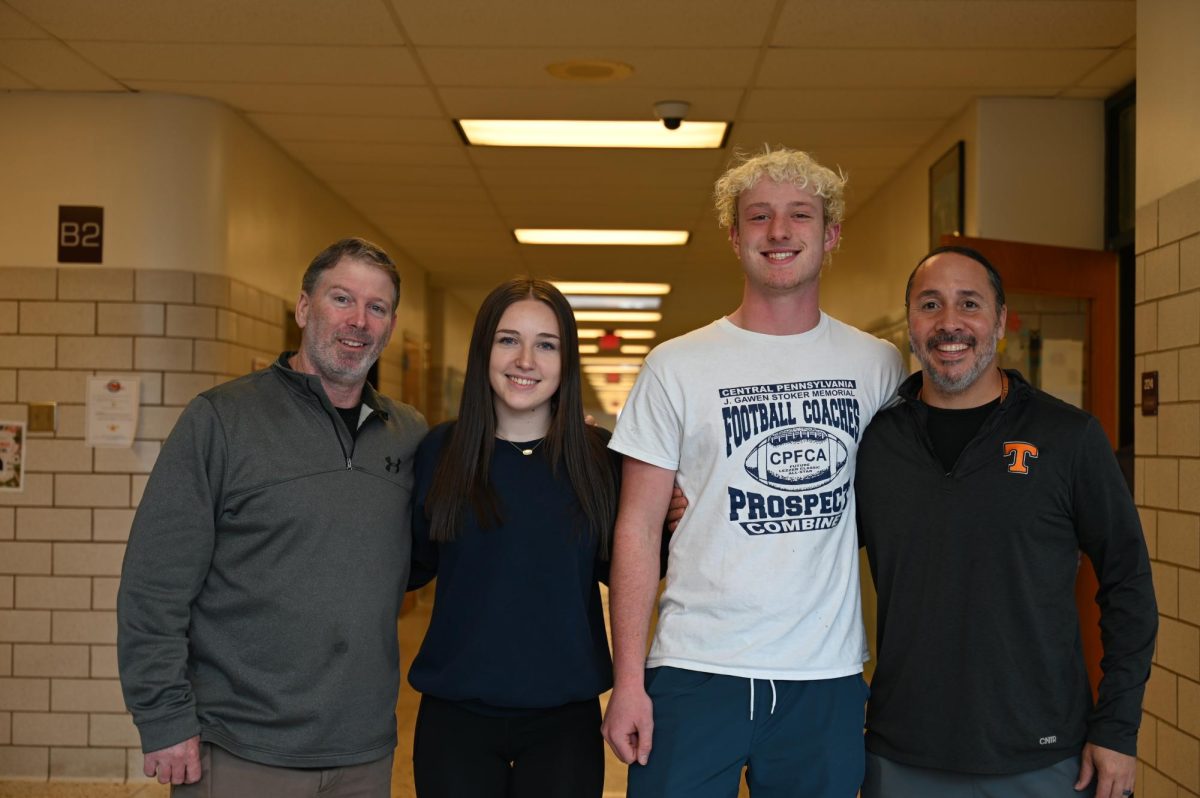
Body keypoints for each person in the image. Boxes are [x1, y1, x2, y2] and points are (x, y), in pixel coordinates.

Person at [601, 147, 906, 798]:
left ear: (830, 236)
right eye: (759, 216)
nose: (778, 232)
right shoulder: (676, 366)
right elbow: (636, 527)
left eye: (800, 215)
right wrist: (628, 680)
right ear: (734, 235)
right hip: (694, 668)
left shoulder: (879, 366)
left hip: (824, 677)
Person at [117, 237, 428, 796]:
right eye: (341, 299)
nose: (358, 320)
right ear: (304, 307)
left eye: (376, 307)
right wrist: (163, 719)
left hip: (364, 751)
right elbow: (154, 584)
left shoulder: (408, 434)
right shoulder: (222, 420)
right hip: (239, 746)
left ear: (391, 324)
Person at [855, 245, 1157, 798]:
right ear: (910, 325)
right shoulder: (874, 445)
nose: (950, 323)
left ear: (999, 319)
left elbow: (1129, 585)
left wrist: (1116, 727)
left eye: (969, 303)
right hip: (902, 755)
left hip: (1045, 758)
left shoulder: (1069, 437)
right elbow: (801, 550)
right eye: (930, 305)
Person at [405, 278, 621, 798]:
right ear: (484, 349)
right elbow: (411, 565)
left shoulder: (600, 459)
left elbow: (630, 571)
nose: (526, 359)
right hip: (455, 719)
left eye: (546, 345)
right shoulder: (442, 451)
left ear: (566, 361)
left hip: (564, 722)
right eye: (508, 340)